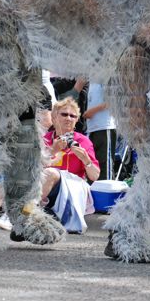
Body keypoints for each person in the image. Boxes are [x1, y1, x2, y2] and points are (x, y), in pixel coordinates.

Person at [42, 97, 100, 232]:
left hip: (73, 187)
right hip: (46, 184)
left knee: (50, 173)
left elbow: (95, 176)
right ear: (54, 117)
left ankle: (27, 211)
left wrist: (86, 159)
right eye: (64, 114)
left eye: (73, 116)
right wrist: (52, 151)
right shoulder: (44, 139)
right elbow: (32, 168)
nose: (68, 118)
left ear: (76, 122)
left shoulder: (83, 141)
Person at [84, 82, 118, 180]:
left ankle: (107, 192)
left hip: (104, 126)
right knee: (92, 165)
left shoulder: (105, 77)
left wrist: (92, 111)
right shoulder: (92, 81)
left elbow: (113, 100)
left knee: (105, 166)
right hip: (92, 128)